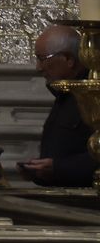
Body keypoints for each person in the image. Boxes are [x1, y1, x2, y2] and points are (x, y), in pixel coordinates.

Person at [23, 24, 97, 187]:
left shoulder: (92, 95)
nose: (38, 68)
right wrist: (41, 170)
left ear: (68, 59)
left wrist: (59, 168)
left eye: (42, 59)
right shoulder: (65, 95)